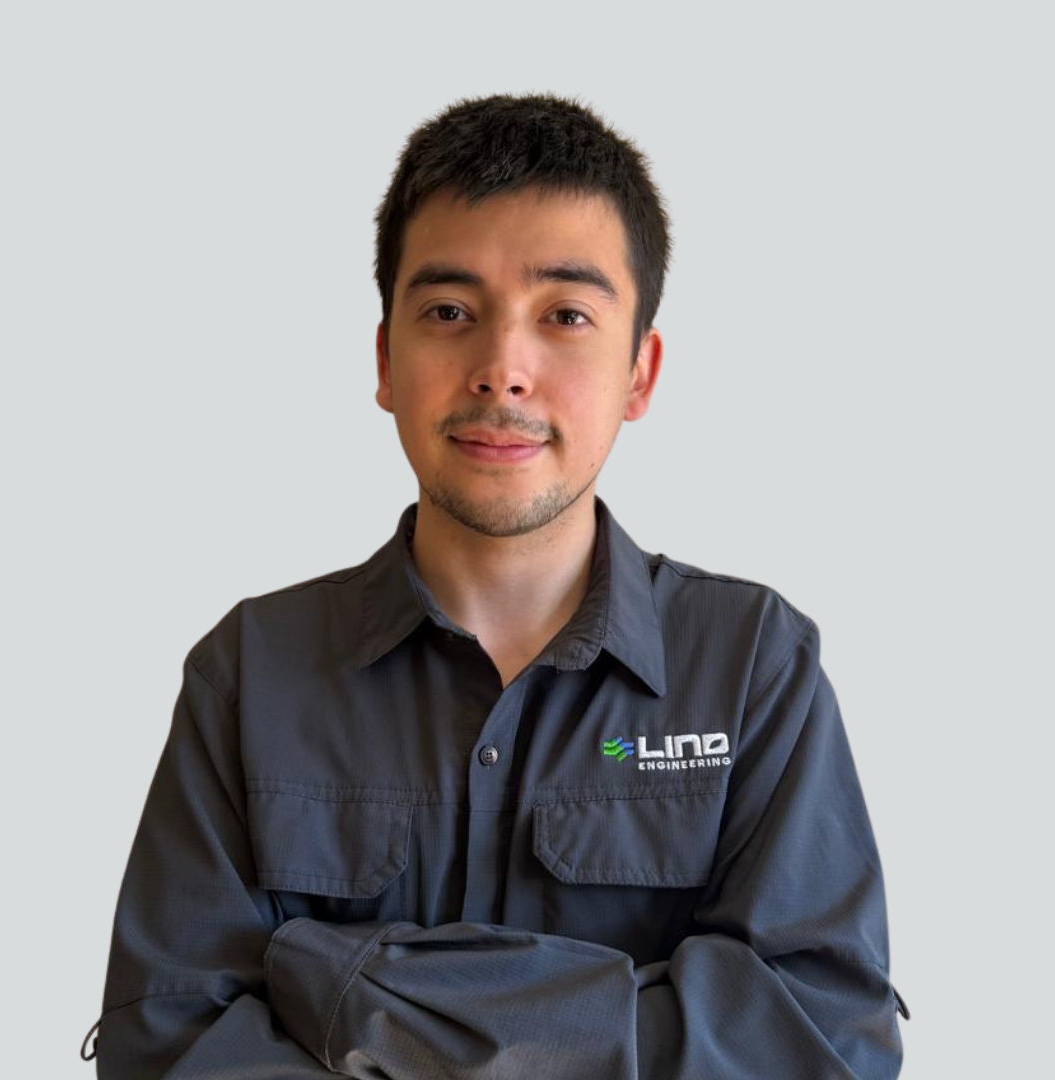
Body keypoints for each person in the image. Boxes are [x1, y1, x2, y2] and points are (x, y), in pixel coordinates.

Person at [81, 92, 908, 1079]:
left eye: (565, 315)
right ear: (385, 360)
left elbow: (820, 1040)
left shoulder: (754, 667)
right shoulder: (249, 675)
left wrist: (347, 990)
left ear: (639, 373)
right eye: (449, 312)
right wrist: (614, 1027)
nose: (502, 370)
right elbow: (169, 1048)